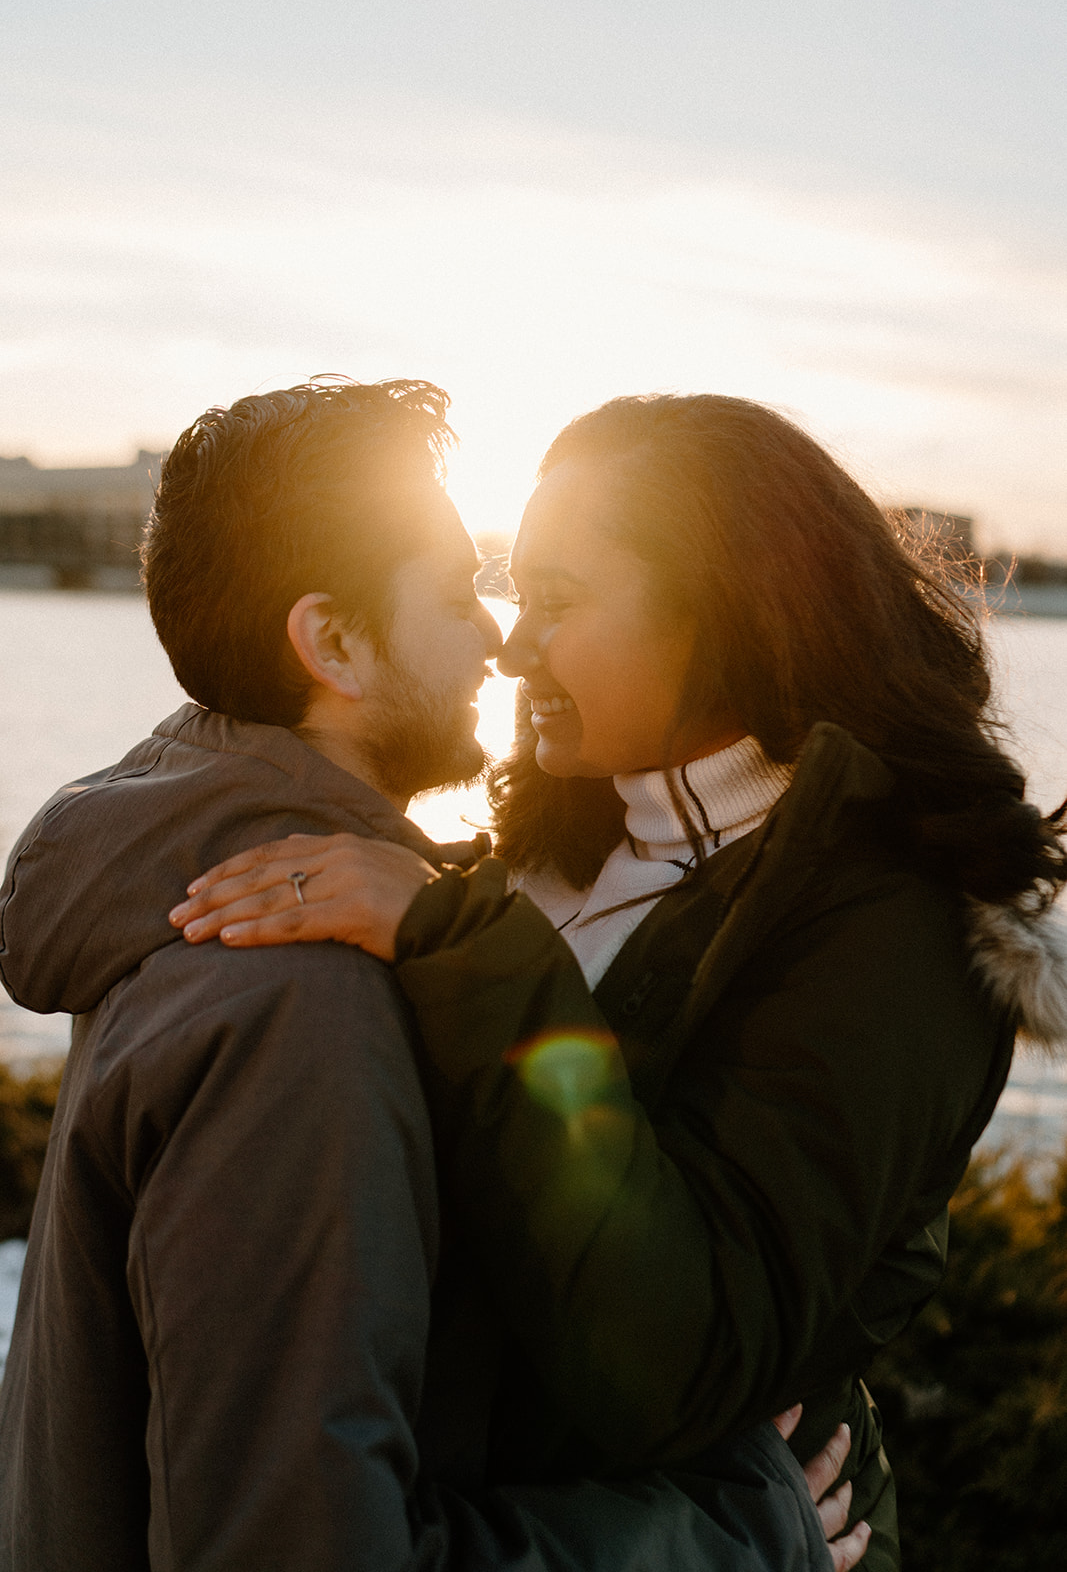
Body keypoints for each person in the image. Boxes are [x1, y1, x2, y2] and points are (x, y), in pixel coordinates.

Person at [174, 393, 1067, 1572]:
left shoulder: (885, 929)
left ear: (725, 612)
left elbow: (675, 1358)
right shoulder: (538, 852)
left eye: (557, 599)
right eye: (507, 591)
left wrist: (464, 946)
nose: (509, 641)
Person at [0, 380, 862, 1572]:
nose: (499, 642)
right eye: (460, 593)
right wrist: (732, 1536)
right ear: (333, 642)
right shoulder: (296, 1003)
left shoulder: (197, 884)